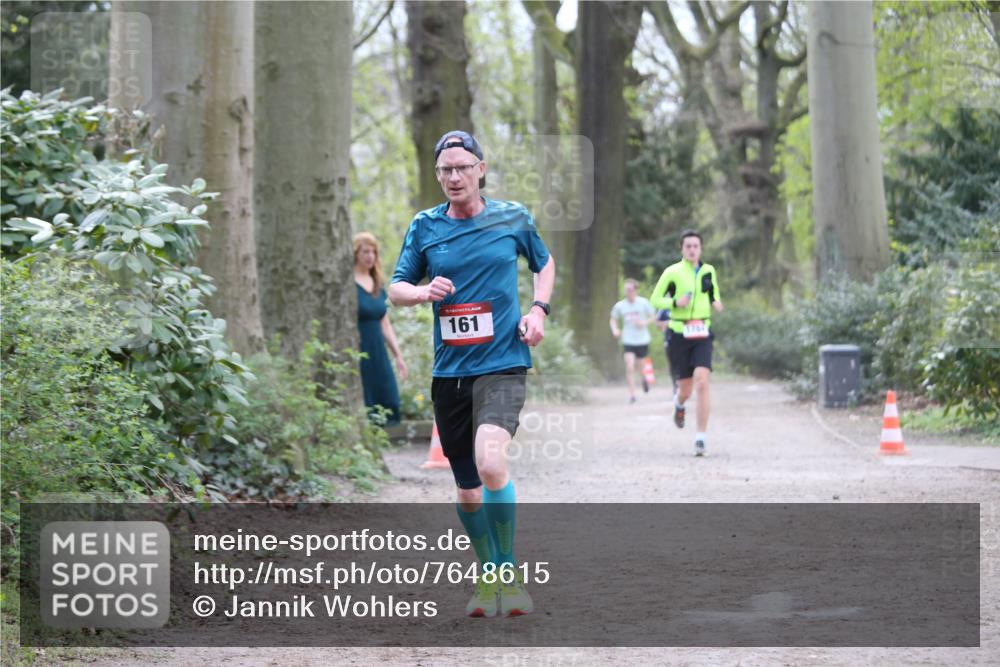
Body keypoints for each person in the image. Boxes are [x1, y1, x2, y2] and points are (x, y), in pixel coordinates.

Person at [389, 130, 555, 618]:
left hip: (503, 362)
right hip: (451, 374)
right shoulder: (425, 227)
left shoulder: (512, 218)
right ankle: (487, 577)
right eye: (445, 170)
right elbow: (396, 287)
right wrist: (421, 293)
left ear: (481, 168)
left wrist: (539, 311)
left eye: (462, 167)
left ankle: (508, 575)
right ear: (438, 175)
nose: (454, 177)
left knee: (491, 463)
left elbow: (544, 265)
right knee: (466, 489)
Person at [650, 230, 723, 457]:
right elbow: (655, 300)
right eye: (688, 246)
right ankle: (679, 404)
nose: (692, 250)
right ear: (682, 249)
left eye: (696, 246)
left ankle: (700, 438)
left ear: (701, 249)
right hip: (679, 332)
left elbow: (713, 294)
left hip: (702, 331)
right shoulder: (672, 272)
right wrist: (675, 302)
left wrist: (718, 302)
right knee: (686, 390)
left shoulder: (709, 270)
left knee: (703, 381)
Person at [354, 232, 407, 426]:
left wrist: (398, 355)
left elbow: (385, 323)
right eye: (365, 251)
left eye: (373, 252)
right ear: (356, 254)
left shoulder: (377, 284)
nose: (370, 256)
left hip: (378, 349)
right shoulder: (348, 284)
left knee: (388, 394)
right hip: (358, 349)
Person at [609, 279, 655, 403]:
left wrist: (644, 322)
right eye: (626, 290)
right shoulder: (620, 306)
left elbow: (653, 316)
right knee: (629, 366)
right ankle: (632, 395)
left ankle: (644, 379)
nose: (627, 292)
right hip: (628, 340)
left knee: (640, 366)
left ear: (635, 290)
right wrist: (615, 330)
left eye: (630, 289)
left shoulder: (643, 303)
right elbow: (613, 319)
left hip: (642, 340)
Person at [654, 307, 680, 397]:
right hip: (669, 338)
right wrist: (667, 323)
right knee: (673, 363)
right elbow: (657, 322)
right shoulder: (664, 308)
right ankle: (675, 386)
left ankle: (684, 384)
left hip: (685, 337)